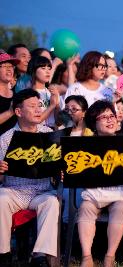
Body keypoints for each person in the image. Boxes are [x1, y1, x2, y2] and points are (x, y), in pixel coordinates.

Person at [77, 100, 123, 267]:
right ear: (94, 123)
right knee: (85, 208)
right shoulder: (86, 145)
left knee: (120, 209)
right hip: (94, 193)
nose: (110, 120)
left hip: (120, 193)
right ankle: (86, 256)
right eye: (104, 117)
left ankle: (109, 256)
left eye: (112, 116)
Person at [0, 89, 60, 267]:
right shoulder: (5, 138)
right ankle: (3, 254)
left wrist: (59, 170)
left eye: (39, 106)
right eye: (32, 106)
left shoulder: (48, 134)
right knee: (1, 199)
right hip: (14, 191)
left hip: (41, 191)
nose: (38, 110)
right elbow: (1, 180)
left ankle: (39, 256)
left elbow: (56, 166)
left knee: (52, 202)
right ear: (18, 112)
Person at [27, 56, 60, 128]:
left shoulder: (51, 92)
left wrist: (57, 106)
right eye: (43, 68)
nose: (48, 71)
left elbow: (58, 122)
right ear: (33, 70)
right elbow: (36, 120)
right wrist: (52, 105)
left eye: (49, 68)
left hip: (52, 133)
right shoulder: (28, 94)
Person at [0, 52, 19, 135]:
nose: (9, 69)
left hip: (16, 146)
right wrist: (10, 112)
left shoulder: (17, 95)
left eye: (11, 66)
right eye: (5, 66)